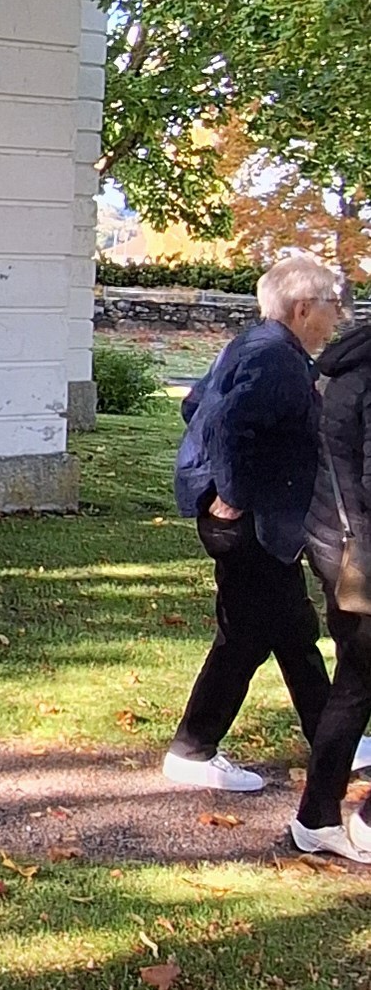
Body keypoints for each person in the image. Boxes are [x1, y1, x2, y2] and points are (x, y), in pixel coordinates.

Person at [165, 249, 345, 793]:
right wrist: (232, 493)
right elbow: (230, 426)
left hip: (255, 520)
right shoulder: (276, 359)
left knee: (293, 631)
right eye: (332, 303)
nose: (338, 315)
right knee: (245, 638)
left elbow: (195, 405)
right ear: (302, 308)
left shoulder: (253, 346)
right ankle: (192, 750)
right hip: (248, 523)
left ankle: (332, 740)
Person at [291, 304, 371, 859]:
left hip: (338, 548)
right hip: (360, 555)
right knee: (357, 685)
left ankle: (317, 817)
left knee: (355, 686)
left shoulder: (346, 369)